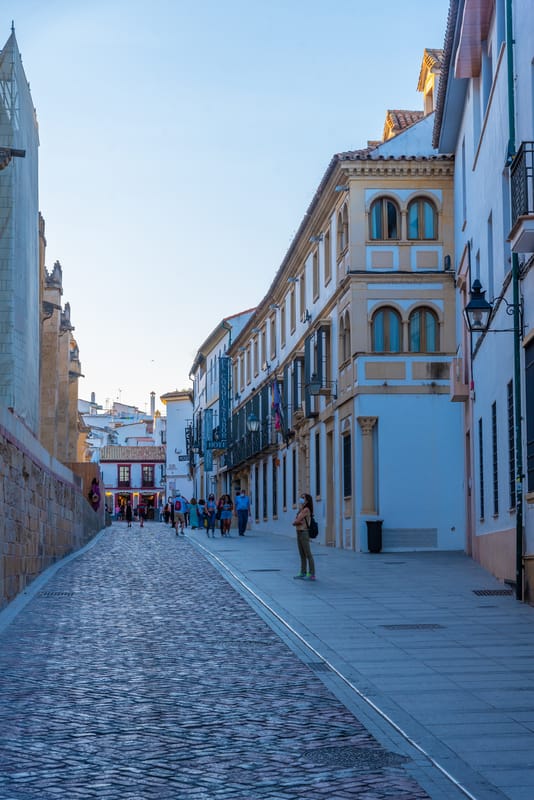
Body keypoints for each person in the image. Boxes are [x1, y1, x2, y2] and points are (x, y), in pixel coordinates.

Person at [292, 492, 316, 581]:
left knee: (308, 554)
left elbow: (296, 521)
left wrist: (296, 521)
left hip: (304, 532)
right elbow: (297, 521)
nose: (301, 499)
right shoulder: (301, 509)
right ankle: (303, 572)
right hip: (298, 532)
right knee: (302, 554)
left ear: (307, 500)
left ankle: (312, 573)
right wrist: (297, 521)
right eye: (301, 497)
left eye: (303, 498)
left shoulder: (306, 510)